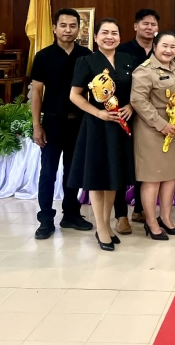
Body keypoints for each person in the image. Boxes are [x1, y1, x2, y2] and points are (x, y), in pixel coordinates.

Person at [68, 18, 135, 251]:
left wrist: (131, 106)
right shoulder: (86, 61)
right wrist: (98, 113)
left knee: (113, 178)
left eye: (114, 33)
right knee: (97, 179)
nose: (109, 37)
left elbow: (136, 91)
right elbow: (74, 95)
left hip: (121, 126)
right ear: (96, 37)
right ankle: (101, 228)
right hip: (97, 127)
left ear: (120, 37)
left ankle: (105, 225)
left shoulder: (127, 60)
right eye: (104, 32)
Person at [30, 8, 94, 239]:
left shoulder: (86, 55)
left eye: (72, 26)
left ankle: (71, 214)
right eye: (63, 25)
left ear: (79, 29)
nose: (68, 30)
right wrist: (37, 125)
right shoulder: (43, 56)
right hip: (52, 123)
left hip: (79, 123)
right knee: (48, 172)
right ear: (54, 28)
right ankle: (45, 219)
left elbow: (92, 91)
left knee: (72, 172)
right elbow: (37, 92)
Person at [130, 31, 175, 240]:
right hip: (151, 131)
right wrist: (161, 124)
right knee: (152, 178)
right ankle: (151, 222)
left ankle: (166, 218)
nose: (169, 50)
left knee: (170, 176)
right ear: (154, 46)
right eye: (164, 46)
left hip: (173, 129)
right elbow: (138, 101)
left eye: (172, 46)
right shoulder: (144, 71)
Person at [115, 8, 159, 232]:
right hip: (126, 115)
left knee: (146, 164)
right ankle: (121, 215)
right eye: (145, 24)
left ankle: (140, 209)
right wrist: (131, 105)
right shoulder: (122, 51)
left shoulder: (161, 50)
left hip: (151, 117)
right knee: (122, 164)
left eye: (153, 24)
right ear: (135, 26)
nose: (149, 28)